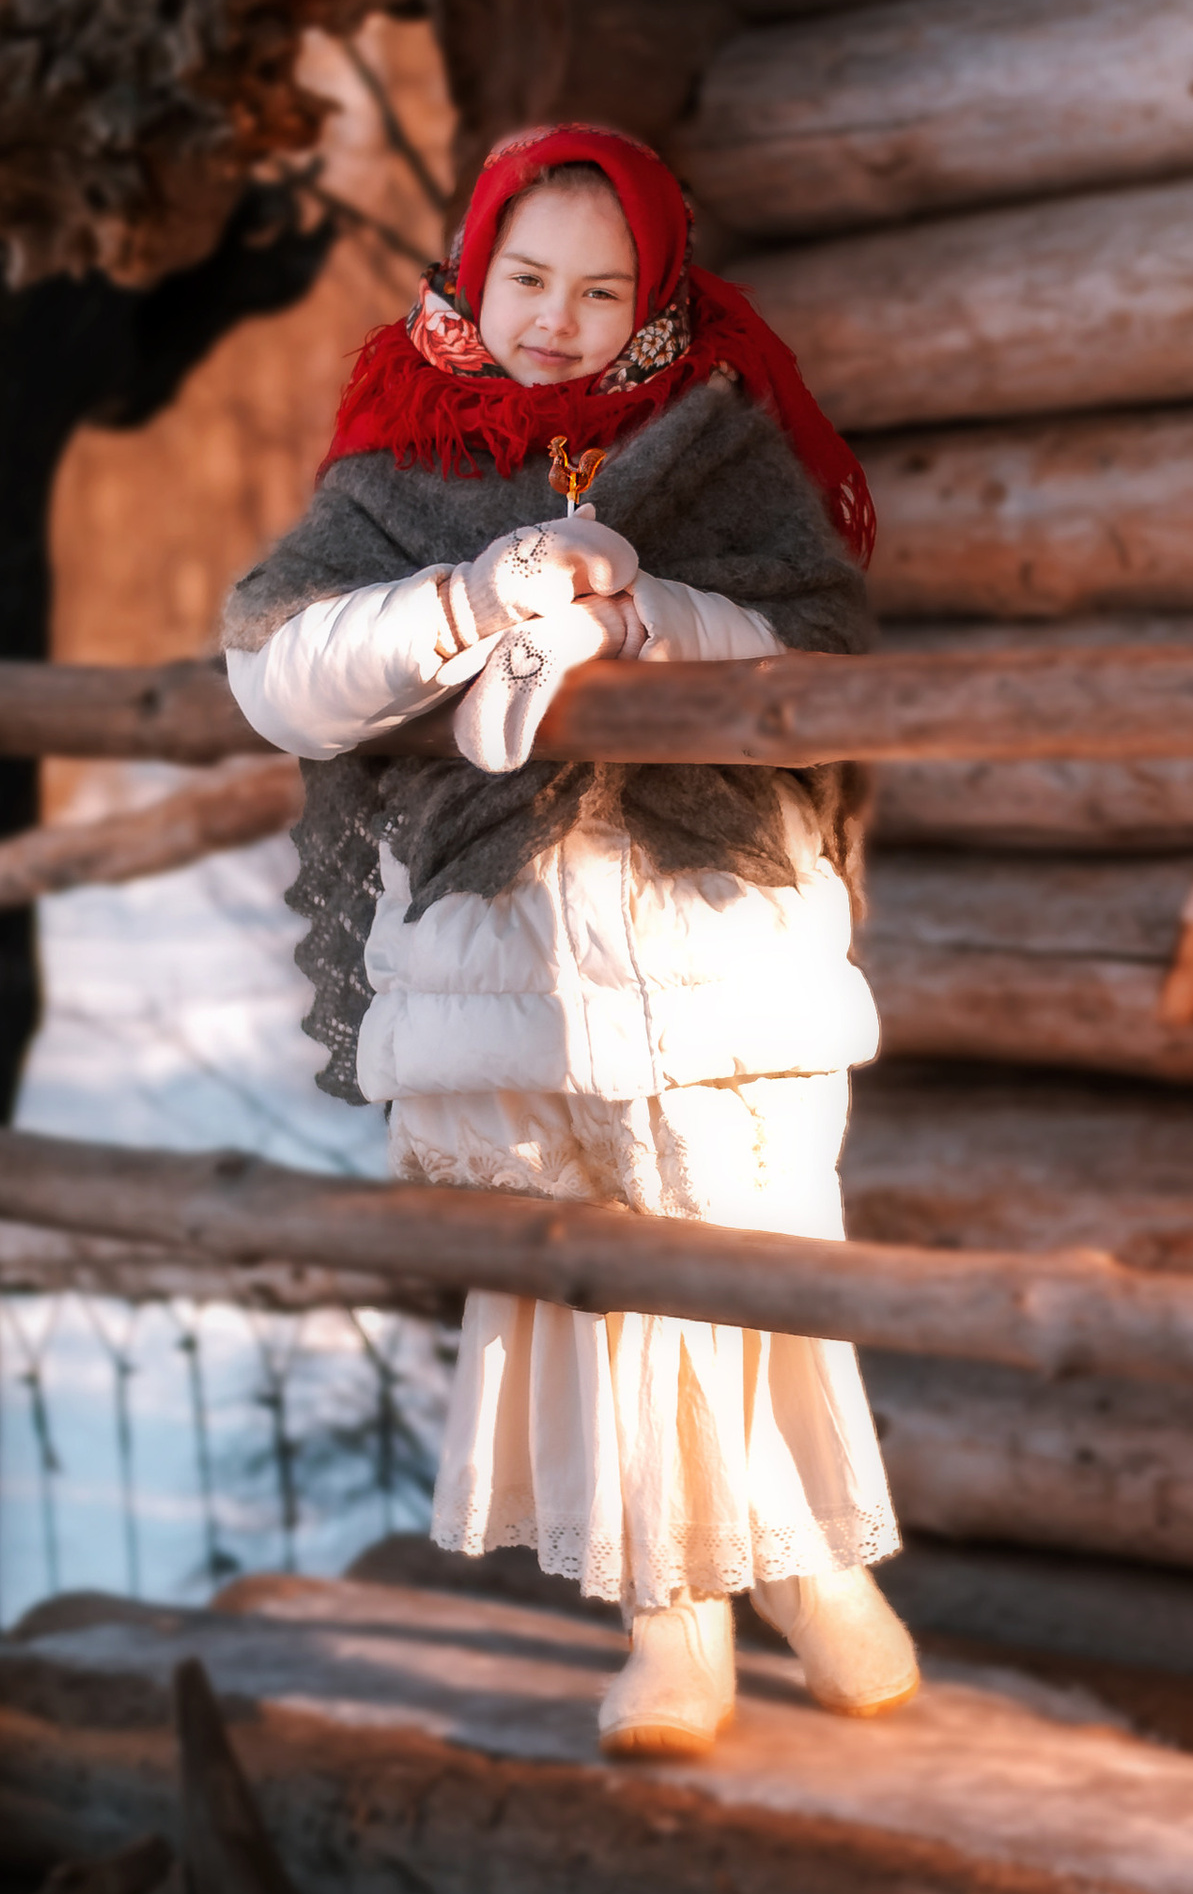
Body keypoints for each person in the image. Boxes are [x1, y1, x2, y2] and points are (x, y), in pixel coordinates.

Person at [220, 119, 919, 1759]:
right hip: (510, 948)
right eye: (525, 276)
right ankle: (672, 1628)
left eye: (600, 290)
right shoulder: (400, 461)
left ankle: (816, 1570)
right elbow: (276, 665)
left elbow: (817, 648)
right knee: (593, 1277)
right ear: (471, 267)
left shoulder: (717, 444)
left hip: (714, 926)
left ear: (655, 296)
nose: (554, 317)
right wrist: (468, 600)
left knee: (753, 1245)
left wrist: (639, 612)